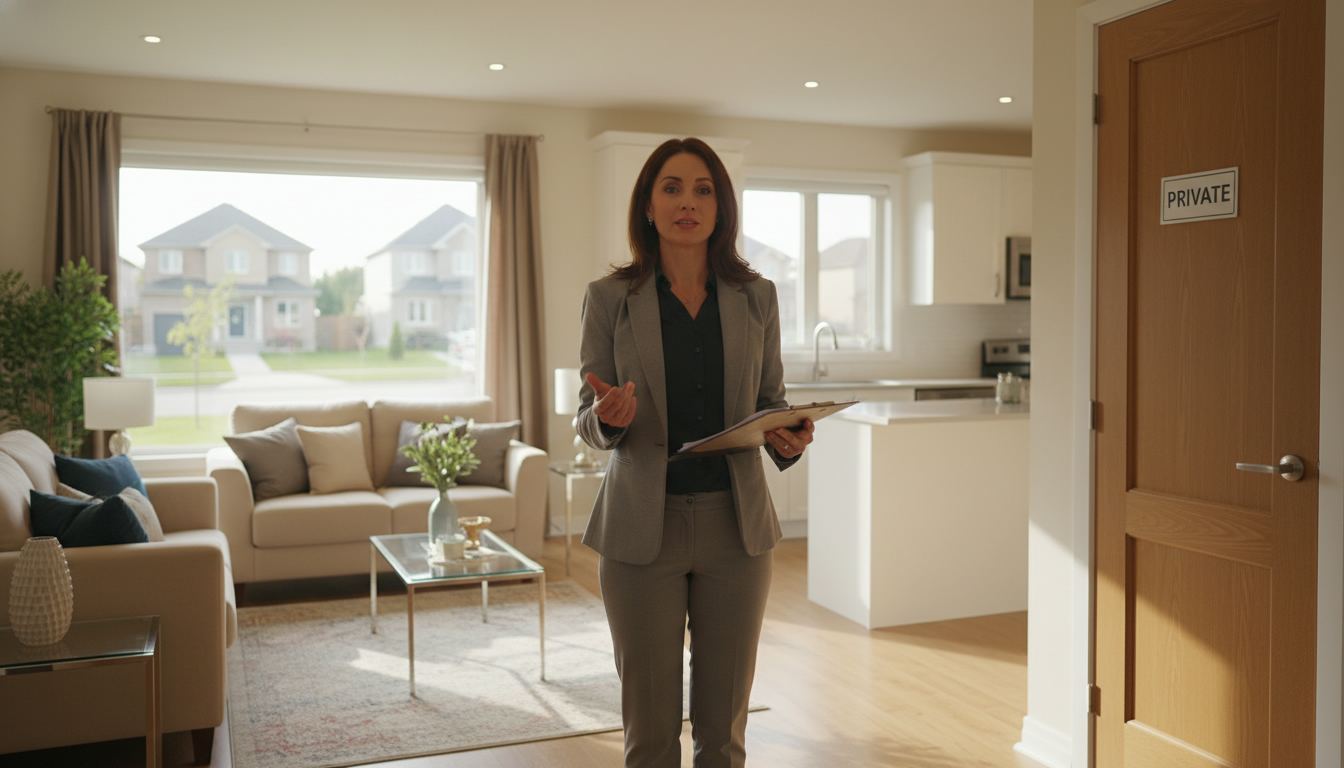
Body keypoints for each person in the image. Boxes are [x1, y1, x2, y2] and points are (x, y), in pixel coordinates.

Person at [575, 137, 814, 768]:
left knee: (724, 732)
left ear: (722, 206)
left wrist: (789, 437)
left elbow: (770, 401)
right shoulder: (609, 299)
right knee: (649, 736)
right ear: (648, 207)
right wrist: (607, 420)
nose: (689, 202)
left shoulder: (757, 297)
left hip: (735, 530)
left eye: (703, 188)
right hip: (638, 530)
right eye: (672, 188)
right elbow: (588, 417)